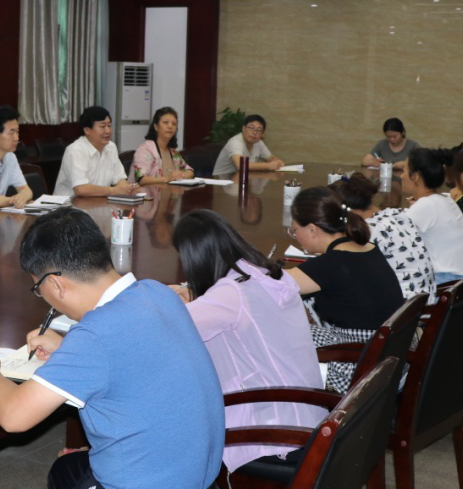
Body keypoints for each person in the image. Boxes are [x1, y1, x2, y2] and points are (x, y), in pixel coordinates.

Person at [0, 207, 224, 489]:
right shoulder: (156, 292)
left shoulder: (95, 336)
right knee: (65, 472)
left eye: (38, 288)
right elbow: (129, 355)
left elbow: (13, 417)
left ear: (56, 284)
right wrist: (67, 348)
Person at [169, 209, 325, 473]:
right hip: (308, 417)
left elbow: (169, 328)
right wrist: (193, 295)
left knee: (173, 416)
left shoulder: (230, 294)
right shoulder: (263, 272)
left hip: (271, 434)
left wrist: (167, 299)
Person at [285, 187, 404, 393]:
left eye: (294, 230)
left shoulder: (330, 265)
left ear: (312, 229)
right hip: (390, 359)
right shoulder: (367, 248)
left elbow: (271, 286)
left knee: (280, 334)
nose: (295, 236)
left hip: (359, 369)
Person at [329, 172, 435, 299]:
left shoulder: (367, 231)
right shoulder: (397, 215)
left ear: (347, 212)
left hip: (402, 305)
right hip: (425, 301)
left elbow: (345, 273)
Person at [401, 148, 463, 284]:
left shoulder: (426, 205)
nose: (401, 176)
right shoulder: (445, 199)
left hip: (447, 282)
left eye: (404, 170)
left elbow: (393, 234)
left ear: (415, 176)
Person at [52, 106, 140, 197]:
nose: (108, 131)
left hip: (97, 202)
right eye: (102, 126)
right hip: (69, 204)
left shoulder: (111, 147)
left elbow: (120, 179)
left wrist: (127, 188)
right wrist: (114, 190)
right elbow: (81, 189)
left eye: (109, 126)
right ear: (87, 130)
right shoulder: (76, 150)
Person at [131, 106, 195, 185]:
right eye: (166, 122)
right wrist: (167, 179)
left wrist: (183, 175)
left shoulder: (173, 152)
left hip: (168, 192)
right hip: (146, 193)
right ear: (156, 127)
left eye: (174, 124)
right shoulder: (145, 150)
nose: (170, 126)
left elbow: (190, 171)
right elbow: (140, 179)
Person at [211, 114, 285, 175]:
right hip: (221, 182)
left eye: (259, 130)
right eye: (251, 128)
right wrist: (268, 166)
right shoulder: (235, 142)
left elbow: (271, 158)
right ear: (243, 128)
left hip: (242, 179)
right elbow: (240, 165)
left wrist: (278, 162)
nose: (254, 132)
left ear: (262, 134)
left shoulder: (258, 143)